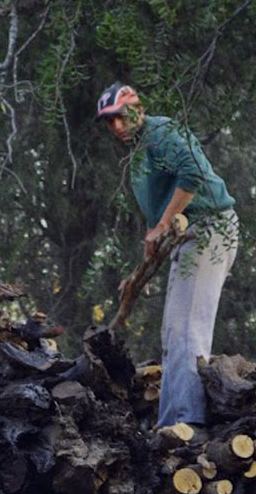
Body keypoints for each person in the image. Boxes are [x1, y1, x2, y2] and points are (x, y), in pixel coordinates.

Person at [97, 83, 238, 429]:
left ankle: (190, 425)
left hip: (209, 228)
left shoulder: (161, 132)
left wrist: (161, 225)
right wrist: (139, 273)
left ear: (138, 109)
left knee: (188, 328)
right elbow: (159, 224)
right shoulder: (139, 154)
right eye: (108, 121)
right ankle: (170, 423)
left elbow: (194, 173)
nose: (116, 126)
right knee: (173, 331)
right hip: (186, 237)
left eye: (120, 117)